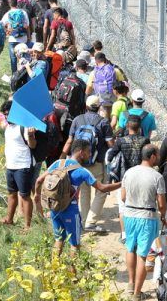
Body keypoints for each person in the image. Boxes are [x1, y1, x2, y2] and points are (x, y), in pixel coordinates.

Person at [34, 140, 120, 256]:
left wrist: (37, 196)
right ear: (81, 152)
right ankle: (73, 273)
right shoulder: (83, 171)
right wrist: (122, 183)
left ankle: (54, 270)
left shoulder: (58, 163)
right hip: (70, 211)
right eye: (88, 151)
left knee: (59, 240)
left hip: (55, 208)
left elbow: (39, 180)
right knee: (74, 244)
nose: (90, 154)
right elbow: (103, 188)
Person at [61, 95, 114, 232]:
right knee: (101, 191)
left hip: (79, 162)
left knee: (84, 191)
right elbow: (110, 144)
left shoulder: (77, 120)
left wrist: (63, 158)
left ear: (86, 105)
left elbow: (69, 140)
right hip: (96, 162)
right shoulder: (103, 122)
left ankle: (85, 220)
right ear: (99, 107)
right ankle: (91, 221)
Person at [121, 144, 166, 300]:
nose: (159, 158)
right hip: (147, 217)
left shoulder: (129, 172)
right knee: (143, 255)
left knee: (130, 248)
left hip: (129, 215)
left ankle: (131, 284)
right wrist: (164, 215)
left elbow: (123, 197)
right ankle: (137, 294)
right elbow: (161, 204)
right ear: (152, 156)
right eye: (158, 155)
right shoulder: (157, 177)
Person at [108, 115, 150, 241]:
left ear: (127, 126)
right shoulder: (145, 141)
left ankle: (124, 234)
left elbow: (110, 155)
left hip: (124, 178)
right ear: (140, 127)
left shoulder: (121, 141)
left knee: (123, 207)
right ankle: (139, 232)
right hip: (141, 177)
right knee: (139, 205)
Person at [0, 100, 36, 229]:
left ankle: (27, 226)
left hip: (23, 166)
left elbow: (32, 145)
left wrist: (31, 136)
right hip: (10, 166)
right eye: (5, 115)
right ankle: (9, 219)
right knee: (11, 194)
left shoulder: (24, 126)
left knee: (25, 196)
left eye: (8, 114)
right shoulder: (8, 127)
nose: (6, 117)